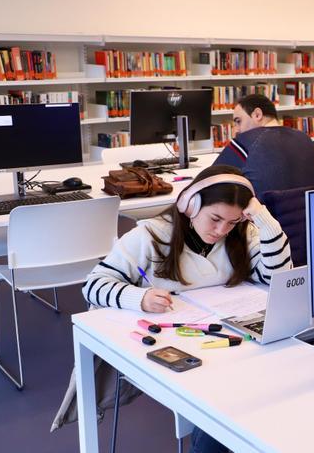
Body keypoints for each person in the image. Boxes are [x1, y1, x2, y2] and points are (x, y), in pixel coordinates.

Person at [80, 164, 292, 453]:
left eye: (232, 222)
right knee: (226, 396)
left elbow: (278, 278)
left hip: (224, 341)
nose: (221, 230)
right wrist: (138, 298)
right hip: (175, 345)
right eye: (215, 219)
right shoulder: (151, 236)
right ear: (189, 205)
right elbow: (93, 285)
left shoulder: (242, 233)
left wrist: (263, 218)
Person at [213, 93, 314, 199]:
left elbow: (211, 177)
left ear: (257, 115)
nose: (236, 129)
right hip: (305, 211)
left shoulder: (247, 140)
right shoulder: (304, 138)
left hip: (264, 213)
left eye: (238, 121)